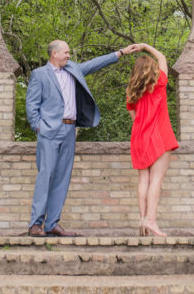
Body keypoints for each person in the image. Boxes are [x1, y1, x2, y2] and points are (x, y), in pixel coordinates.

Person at [26, 39, 135, 237]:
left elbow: (94, 64)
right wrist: (39, 127)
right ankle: (36, 224)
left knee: (62, 178)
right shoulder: (40, 74)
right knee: (45, 176)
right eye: (66, 53)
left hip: (69, 130)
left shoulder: (73, 69)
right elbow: (31, 105)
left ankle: (52, 223)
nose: (69, 56)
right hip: (49, 131)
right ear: (54, 54)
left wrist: (120, 52)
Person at [125, 43, 179, 237]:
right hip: (160, 136)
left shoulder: (131, 92)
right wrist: (145, 47)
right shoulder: (160, 83)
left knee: (143, 180)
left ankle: (143, 219)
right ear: (152, 70)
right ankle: (151, 220)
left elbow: (135, 118)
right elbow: (163, 58)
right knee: (156, 180)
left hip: (140, 137)